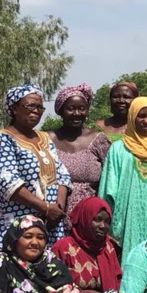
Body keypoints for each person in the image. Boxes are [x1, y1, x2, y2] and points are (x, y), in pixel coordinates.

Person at [0, 84, 71, 251]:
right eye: (30, 106)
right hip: (18, 223)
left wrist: (58, 207)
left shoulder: (44, 138)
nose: (36, 111)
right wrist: (45, 208)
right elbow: (8, 184)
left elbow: (62, 173)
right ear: (14, 108)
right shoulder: (4, 139)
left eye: (40, 107)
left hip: (50, 223)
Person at [98, 96, 147, 258]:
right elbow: (108, 187)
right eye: (141, 116)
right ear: (132, 117)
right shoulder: (118, 149)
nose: (146, 121)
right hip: (127, 216)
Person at [49, 83, 111, 216]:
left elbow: (111, 177)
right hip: (54, 214)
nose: (77, 113)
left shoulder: (98, 140)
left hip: (90, 217)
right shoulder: (46, 139)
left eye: (82, 108)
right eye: (71, 109)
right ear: (60, 110)